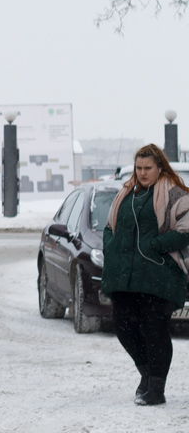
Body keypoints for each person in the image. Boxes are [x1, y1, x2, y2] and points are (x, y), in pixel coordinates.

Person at [102, 143, 189, 406]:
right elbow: (110, 226)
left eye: (147, 168)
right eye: (138, 168)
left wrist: (156, 245)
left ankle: (156, 389)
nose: (142, 173)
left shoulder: (175, 193)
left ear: (159, 167)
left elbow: (186, 228)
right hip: (126, 276)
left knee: (155, 328)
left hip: (160, 274)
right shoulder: (127, 193)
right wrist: (111, 245)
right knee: (123, 325)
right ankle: (146, 374)